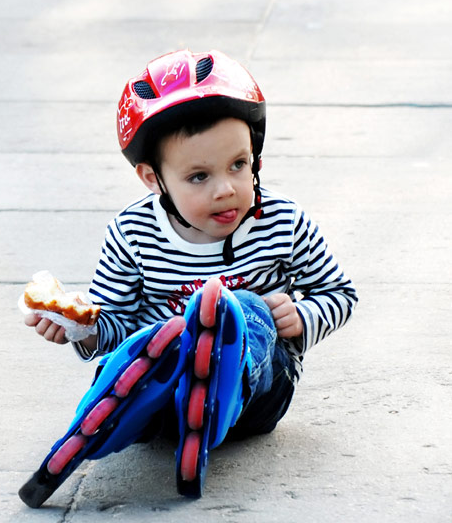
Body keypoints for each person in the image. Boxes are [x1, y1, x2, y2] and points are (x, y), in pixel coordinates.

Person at [19, 49, 357, 505]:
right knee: (151, 343)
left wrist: (302, 315)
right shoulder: (132, 232)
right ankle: (127, 403)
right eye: (199, 176)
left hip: (256, 397)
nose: (226, 188)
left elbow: (339, 292)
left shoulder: (283, 220)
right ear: (152, 178)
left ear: (255, 157)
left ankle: (217, 380)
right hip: (162, 396)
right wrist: (82, 329)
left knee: (245, 308)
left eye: (239, 165)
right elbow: (115, 319)